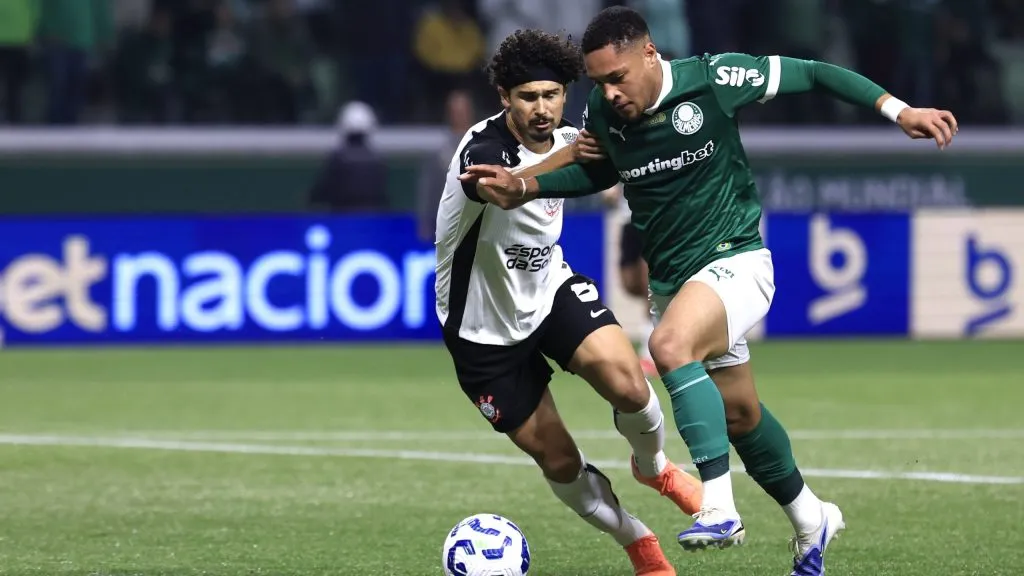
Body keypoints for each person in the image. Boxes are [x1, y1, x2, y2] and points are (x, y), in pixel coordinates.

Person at [459, 7, 959, 576]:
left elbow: (816, 72)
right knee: (740, 414)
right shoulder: (604, 109)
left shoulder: (715, 79)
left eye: (618, 78)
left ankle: (718, 506)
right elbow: (600, 173)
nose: (609, 94)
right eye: (598, 83)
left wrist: (899, 110)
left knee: (669, 348)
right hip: (675, 281)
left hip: (737, 259)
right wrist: (526, 186)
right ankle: (811, 516)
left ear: (650, 55)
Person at [434, 28, 702, 576]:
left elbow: (618, 166)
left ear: (565, 94)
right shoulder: (481, 149)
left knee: (630, 384)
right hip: (481, 332)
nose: (541, 109)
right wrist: (571, 159)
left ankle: (654, 468)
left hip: (551, 291)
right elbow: (503, 186)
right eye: (528, 97)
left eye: (552, 95)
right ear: (505, 98)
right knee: (559, 460)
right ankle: (640, 543)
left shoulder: (575, 135)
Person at [601, 184, 657, 378]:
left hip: (653, 217)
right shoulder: (622, 152)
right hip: (628, 219)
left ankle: (649, 353)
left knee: (647, 283)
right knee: (630, 284)